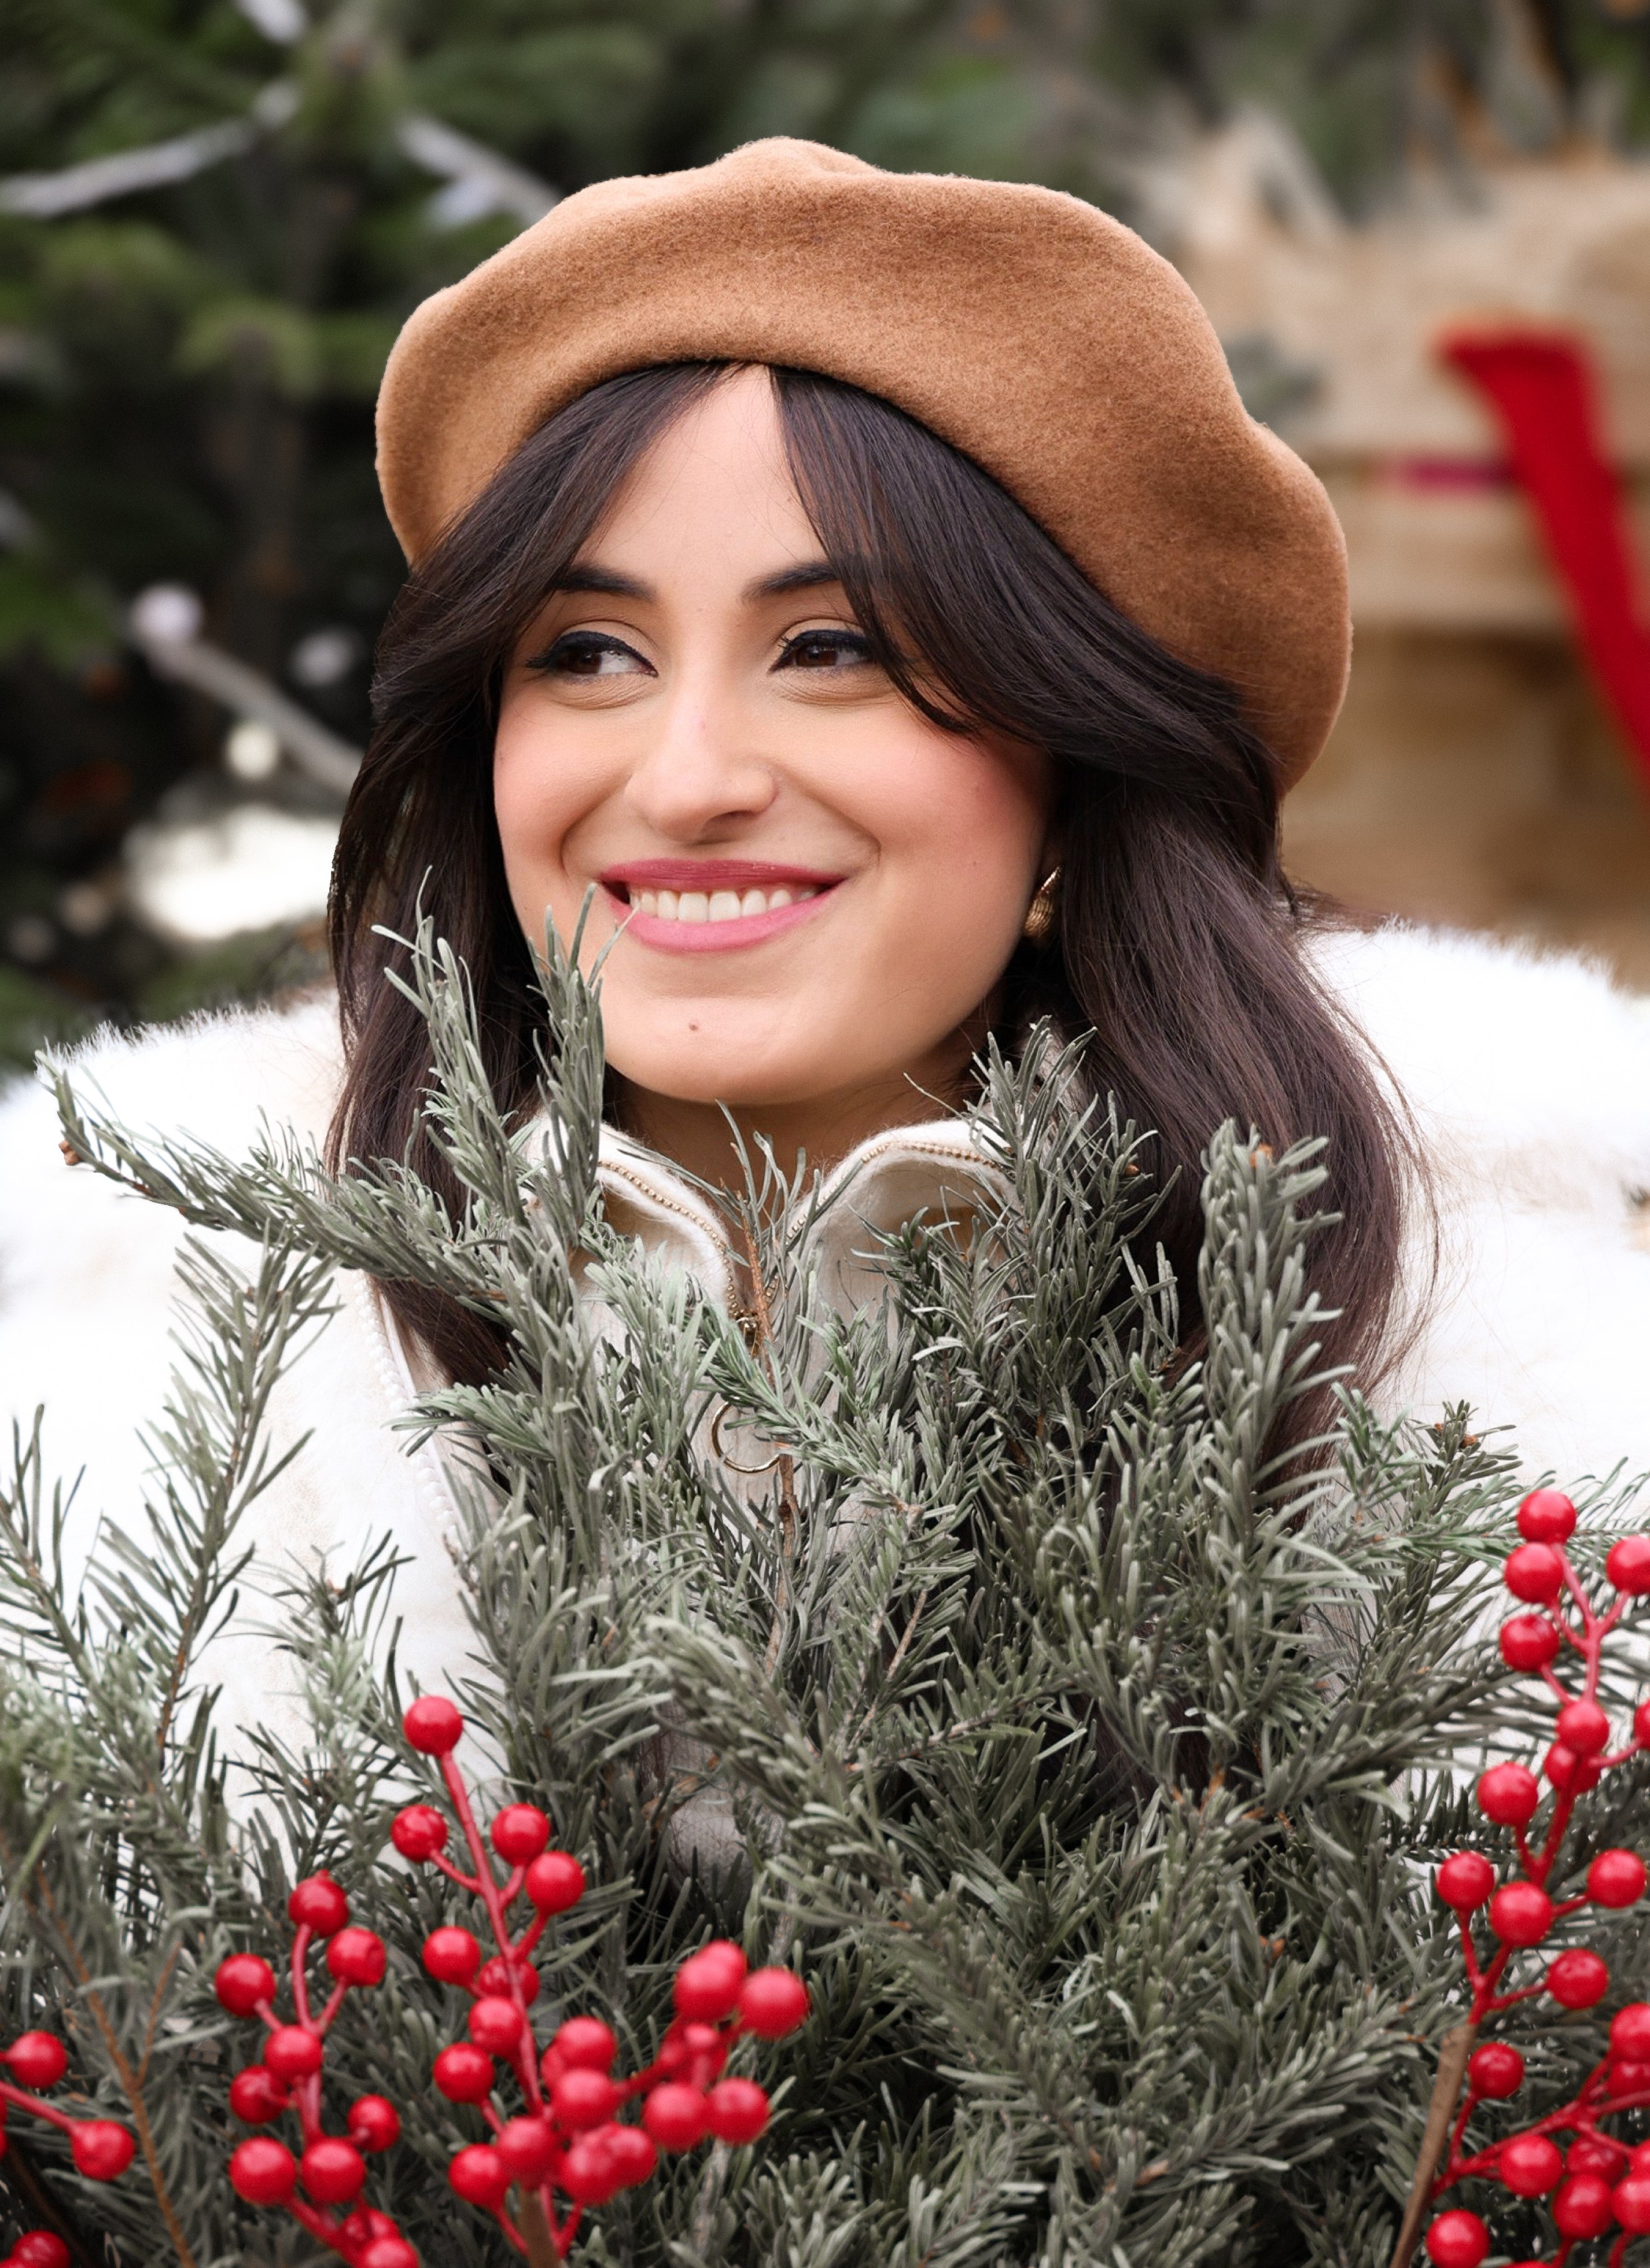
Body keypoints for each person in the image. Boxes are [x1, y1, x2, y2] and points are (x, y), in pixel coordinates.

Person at [3, 139, 1649, 1765]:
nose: (687, 777)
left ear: (1075, 767)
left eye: (829, 648)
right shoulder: (150, 1333)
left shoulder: (1480, 1337)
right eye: (585, 652)